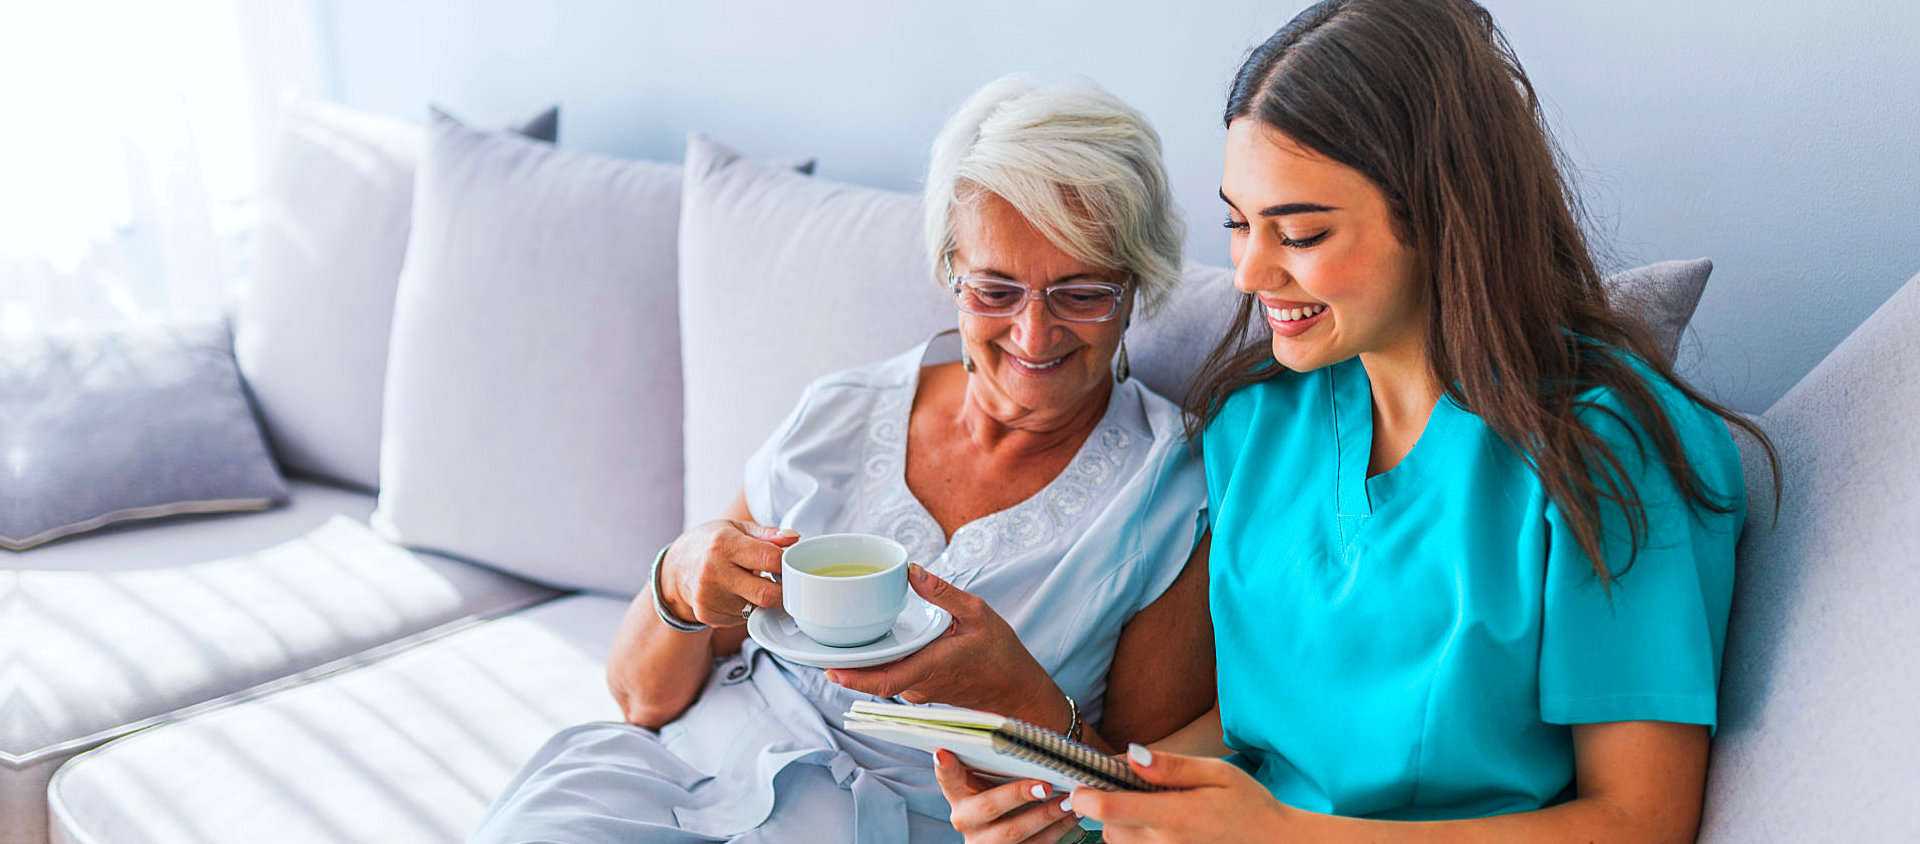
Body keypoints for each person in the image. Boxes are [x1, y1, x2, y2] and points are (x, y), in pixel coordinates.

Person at [937, 1, 1779, 841]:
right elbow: (1257, 732)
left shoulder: (1605, 449)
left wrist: (1283, 837)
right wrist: (1095, 806)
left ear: (1442, 215)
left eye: (1298, 232)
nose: (1248, 271)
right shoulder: (1257, 423)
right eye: (1238, 222)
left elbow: (1641, 821)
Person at [468, 73, 1215, 844]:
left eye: (1082, 293)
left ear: (1136, 286)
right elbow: (640, 702)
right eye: (994, 291)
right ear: (949, 274)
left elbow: (1145, 812)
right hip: (675, 783)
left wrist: (1021, 698)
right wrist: (679, 578)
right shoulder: (841, 413)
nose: (1033, 335)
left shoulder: (1169, 493)